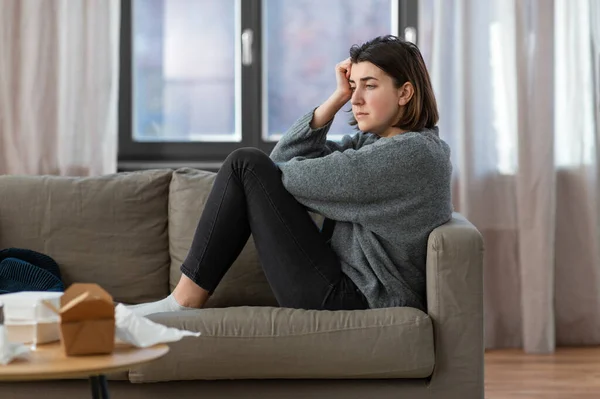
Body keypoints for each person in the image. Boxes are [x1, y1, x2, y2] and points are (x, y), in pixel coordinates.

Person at [129, 35, 453, 317]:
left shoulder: (413, 155)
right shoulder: (373, 143)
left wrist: (266, 178)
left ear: (405, 92)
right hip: (343, 284)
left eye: (369, 86)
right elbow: (282, 160)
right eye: (353, 87)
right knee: (249, 166)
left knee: (245, 164)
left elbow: (283, 172)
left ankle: (183, 302)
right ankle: (182, 301)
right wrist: (335, 97)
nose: (355, 99)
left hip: (359, 298)